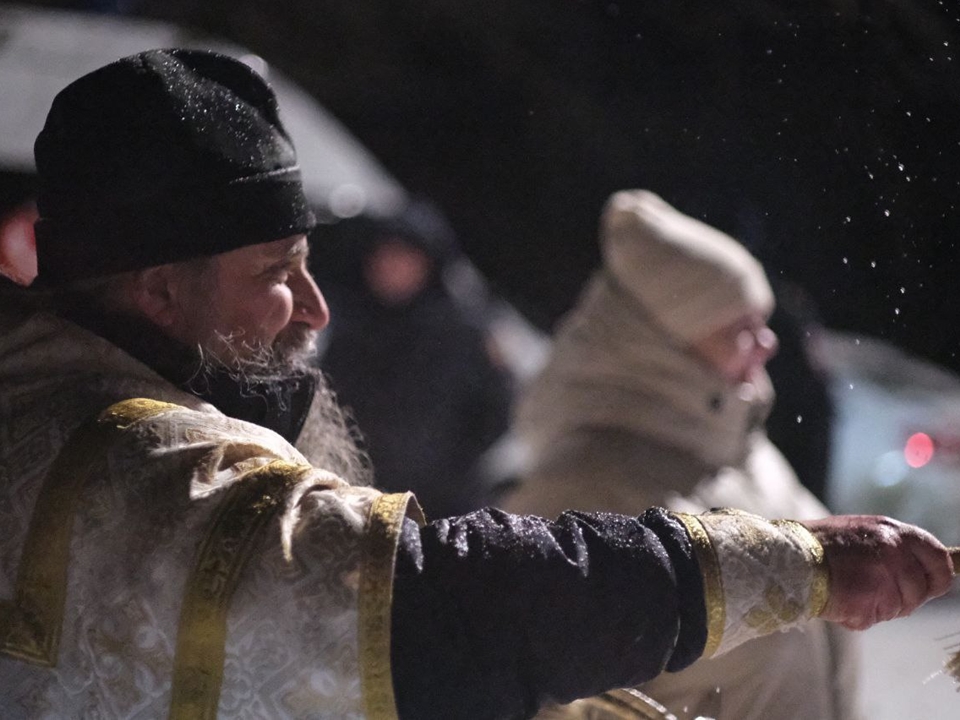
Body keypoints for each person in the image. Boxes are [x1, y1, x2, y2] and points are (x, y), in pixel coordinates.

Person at [0, 50, 952, 720]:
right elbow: (438, 604)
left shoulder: (43, 398)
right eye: (276, 271)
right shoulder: (131, 464)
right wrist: (798, 566)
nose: (315, 310)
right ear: (161, 288)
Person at [503, 190, 860, 719]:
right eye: (740, 330)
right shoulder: (578, 495)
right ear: (661, 343)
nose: (769, 344)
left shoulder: (745, 452)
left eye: (763, 322)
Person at [315, 201, 514, 518]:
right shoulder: (351, 327)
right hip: (361, 499)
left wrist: (449, 467)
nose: (392, 268)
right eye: (385, 256)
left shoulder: (462, 334)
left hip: (440, 507)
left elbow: (495, 410)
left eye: (405, 258)